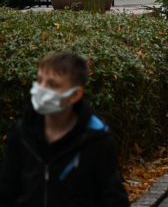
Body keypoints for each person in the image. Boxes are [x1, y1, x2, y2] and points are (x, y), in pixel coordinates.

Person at [0, 51, 130, 206]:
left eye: (53, 85)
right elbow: (7, 190)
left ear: (75, 94)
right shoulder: (22, 132)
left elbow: (113, 198)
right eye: (40, 80)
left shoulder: (95, 139)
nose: (42, 89)